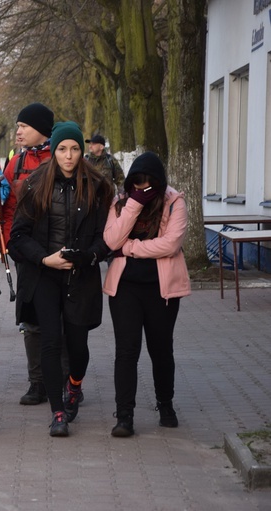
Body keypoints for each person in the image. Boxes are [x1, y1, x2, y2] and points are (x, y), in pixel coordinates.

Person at [8, 121, 112, 437]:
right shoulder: (35, 184)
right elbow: (17, 237)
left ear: (82, 151)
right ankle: (58, 412)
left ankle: (74, 384)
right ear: (54, 151)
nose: (69, 156)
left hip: (81, 277)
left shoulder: (98, 186)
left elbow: (105, 238)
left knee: (77, 347)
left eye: (75, 149)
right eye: (63, 149)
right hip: (44, 276)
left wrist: (85, 256)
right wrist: (44, 258)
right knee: (51, 342)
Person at [102, 151, 191, 437]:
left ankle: (166, 404)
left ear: (160, 182)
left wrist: (130, 249)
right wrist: (134, 207)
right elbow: (111, 240)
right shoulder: (120, 204)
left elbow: (171, 244)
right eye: (136, 183)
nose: (142, 188)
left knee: (161, 349)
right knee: (126, 352)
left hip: (161, 290)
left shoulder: (174, 202)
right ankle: (124, 415)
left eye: (148, 183)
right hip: (125, 288)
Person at [1, 103, 56, 406]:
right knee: (31, 318)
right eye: (18, 126)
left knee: (62, 318)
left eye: (24, 126)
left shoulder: (63, 156)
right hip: (27, 255)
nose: (18, 131)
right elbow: (8, 209)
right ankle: (37, 383)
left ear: (42, 131)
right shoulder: (16, 163)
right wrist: (11, 245)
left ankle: (65, 379)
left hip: (59, 253)